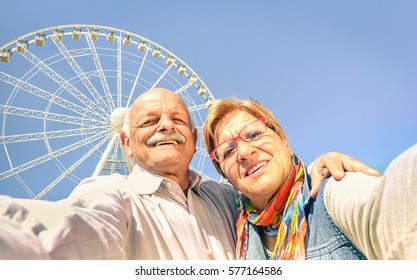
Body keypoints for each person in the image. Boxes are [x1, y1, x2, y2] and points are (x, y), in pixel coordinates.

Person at [0, 88, 380, 260]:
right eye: (149, 121)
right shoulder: (112, 195)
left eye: (177, 119)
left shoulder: (233, 200)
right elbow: (70, 236)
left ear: (194, 140)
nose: (166, 125)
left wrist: (325, 164)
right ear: (126, 144)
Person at [202, 97, 416, 260]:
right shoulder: (236, 234)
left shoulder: (332, 191)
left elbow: (396, 206)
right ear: (225, 175)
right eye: (228, 151)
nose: (243, 152)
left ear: (284, 142)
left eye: (253, 134)